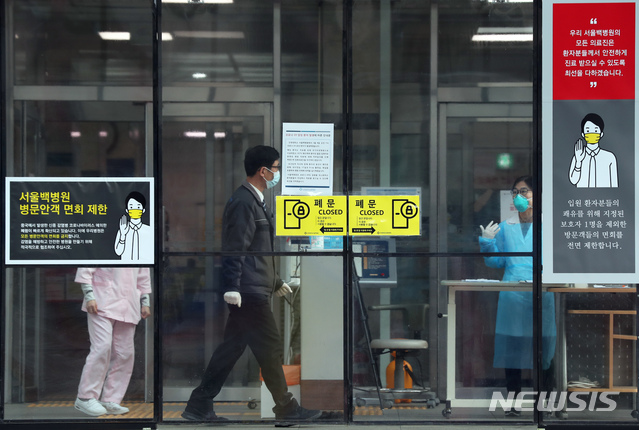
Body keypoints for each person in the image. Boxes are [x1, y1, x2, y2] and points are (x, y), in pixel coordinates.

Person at [182, 145, 322, 423]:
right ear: (263, 171)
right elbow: (236, 248)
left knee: (232, 347)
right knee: (269, 345)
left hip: (254, 287)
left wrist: (276, 280)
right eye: (277, 167)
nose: (278, 173)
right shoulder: (244, 202)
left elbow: (258, 251)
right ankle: (285, 407)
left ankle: (199, 404)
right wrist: (232, 286)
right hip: (248, 292)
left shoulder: (255, 201)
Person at [478, 175, 556, 417]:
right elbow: (496, 262)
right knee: (512, 346)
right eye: (515, 192)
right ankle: (512, 402)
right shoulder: (505, 227)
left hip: (541, 291)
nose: (518, 197)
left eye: (524, 191)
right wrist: (488, 243)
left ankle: (545, 404)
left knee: (543, 346)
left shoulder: (549, 225)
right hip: (512, 291)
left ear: (536, 195)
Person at [74, 267, 152, 416]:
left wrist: (145, 301)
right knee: (102, 347)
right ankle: (85, 397)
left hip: (128, 304)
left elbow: (143, 276)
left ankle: (111, 399)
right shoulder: (101, 244)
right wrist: (89, 296)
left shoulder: (139, 247)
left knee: (125, 354)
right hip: (101, 301)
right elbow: (85, 269)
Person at [568, 113, 618, 188]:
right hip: (582, 199)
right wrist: (578, 162)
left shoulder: (610, 157)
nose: (592, 133)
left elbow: (615, 185)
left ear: (601, 134)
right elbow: (573, 180)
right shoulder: (578, 155)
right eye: (588, 130)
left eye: (595, 130)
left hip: (604, 199)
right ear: (583, 134)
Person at [114, 191, 152, 261]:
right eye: (131, 206)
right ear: (127, 210)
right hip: (125, 270)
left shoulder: (149, 230)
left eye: (138, 206)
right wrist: (122, 235)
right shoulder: (123, 229)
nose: (135, 209)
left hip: (143, 269)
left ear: (143, 210)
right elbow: (118, 252)